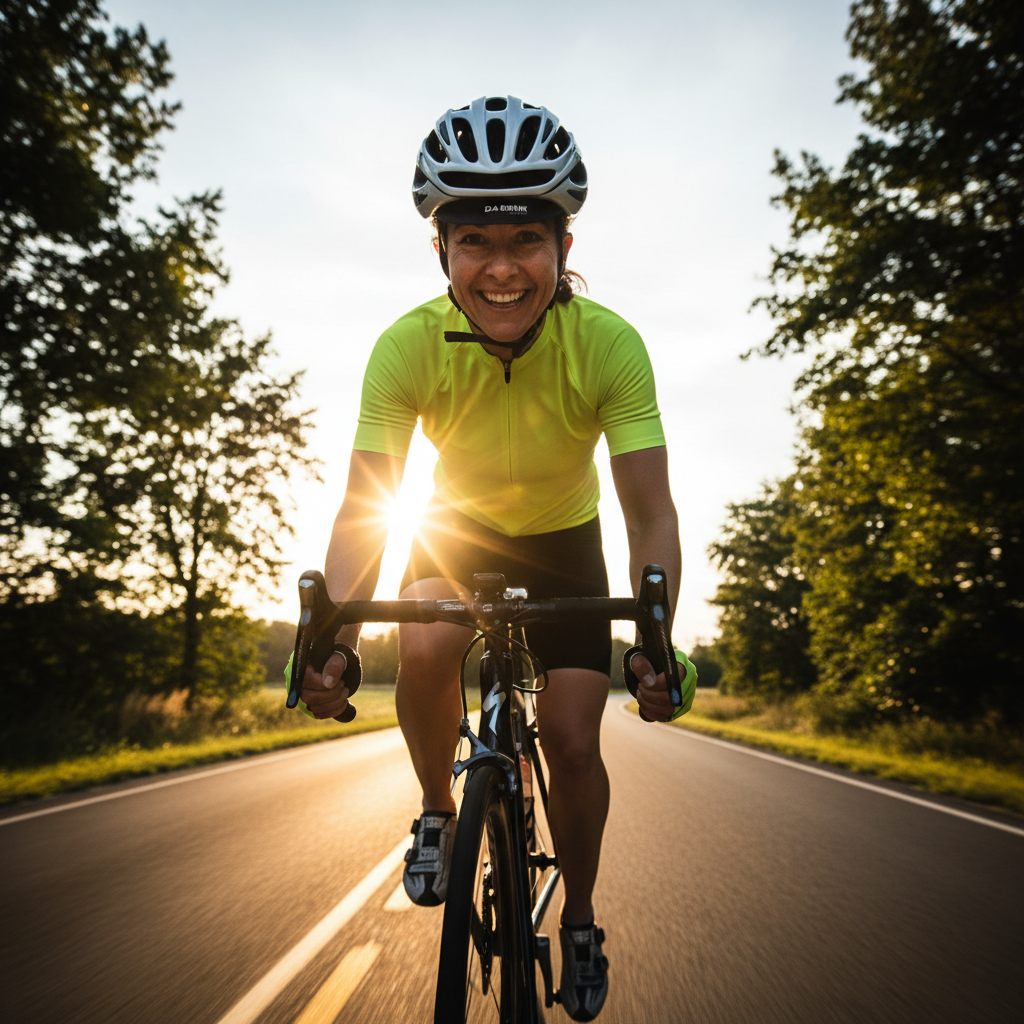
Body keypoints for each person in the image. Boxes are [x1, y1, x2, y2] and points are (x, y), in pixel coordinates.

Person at [299, 95, 693, 1022]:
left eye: (527, 239)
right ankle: (439, 809)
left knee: (571, 738)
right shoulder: (404, 347)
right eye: (474, 238)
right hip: (456, 532)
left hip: (567, 545)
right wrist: (328, 640)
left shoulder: (610, 345)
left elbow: (650, 507)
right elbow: (364, 513)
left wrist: (657, 631)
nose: (503, 267)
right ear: (441, 251)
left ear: (563, 247)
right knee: (427, 649)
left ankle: (584, 916)